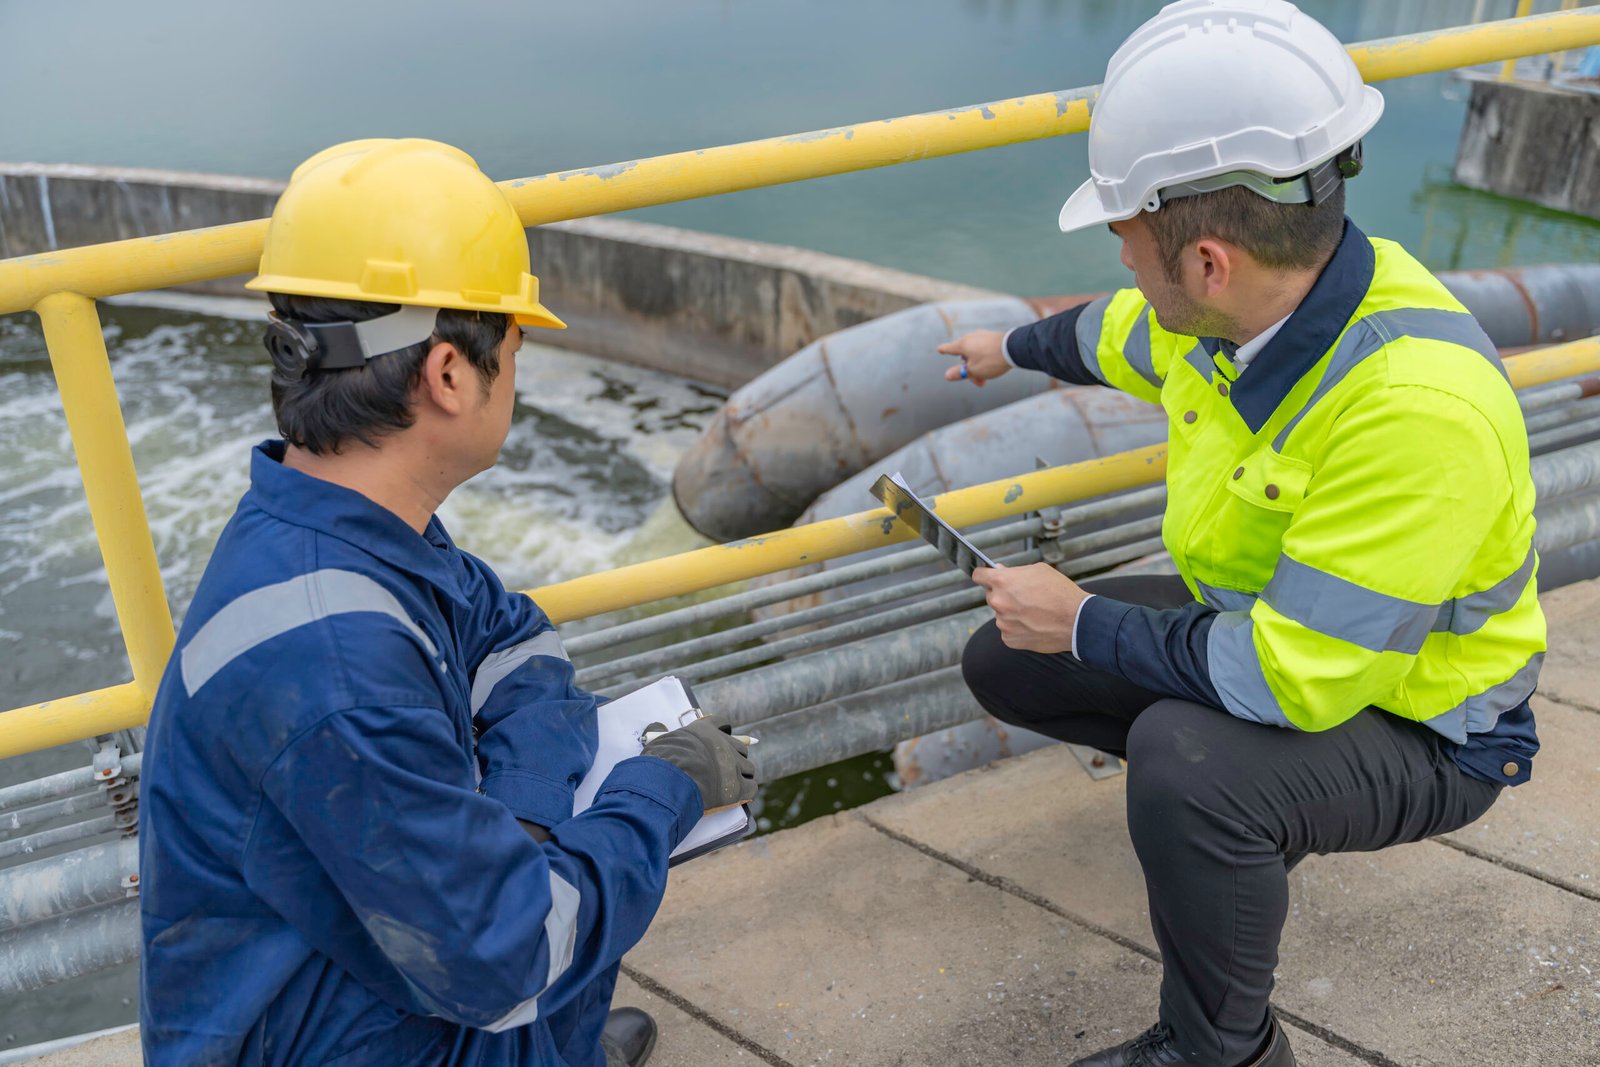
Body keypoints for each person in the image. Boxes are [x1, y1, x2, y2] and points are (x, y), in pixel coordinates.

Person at [937, 4, 1544, 1066]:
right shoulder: (1248, 307)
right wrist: (1009, 346)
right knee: (1007, 658)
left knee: (1187, 762)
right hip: (1279, 636)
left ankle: (1222, 1046)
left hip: (1426, 716)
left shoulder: (1412, 407)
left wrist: (1082, 620)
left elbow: (1285, 679)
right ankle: (1233, 833)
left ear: (1208, 262)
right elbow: (1111, 331)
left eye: (1127, 241)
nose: (1124, 262)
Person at [137, 138, 758, 1067]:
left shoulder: (350, 529)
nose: (516, 371)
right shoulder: (335, 665)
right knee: (557, 923)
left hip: (344, 968)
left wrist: (520, 822)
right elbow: (505, 959)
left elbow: (521, 649)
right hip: (321, 1039)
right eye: (513, 347)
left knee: (542, 883)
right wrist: (662, 790)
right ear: (449, 374)